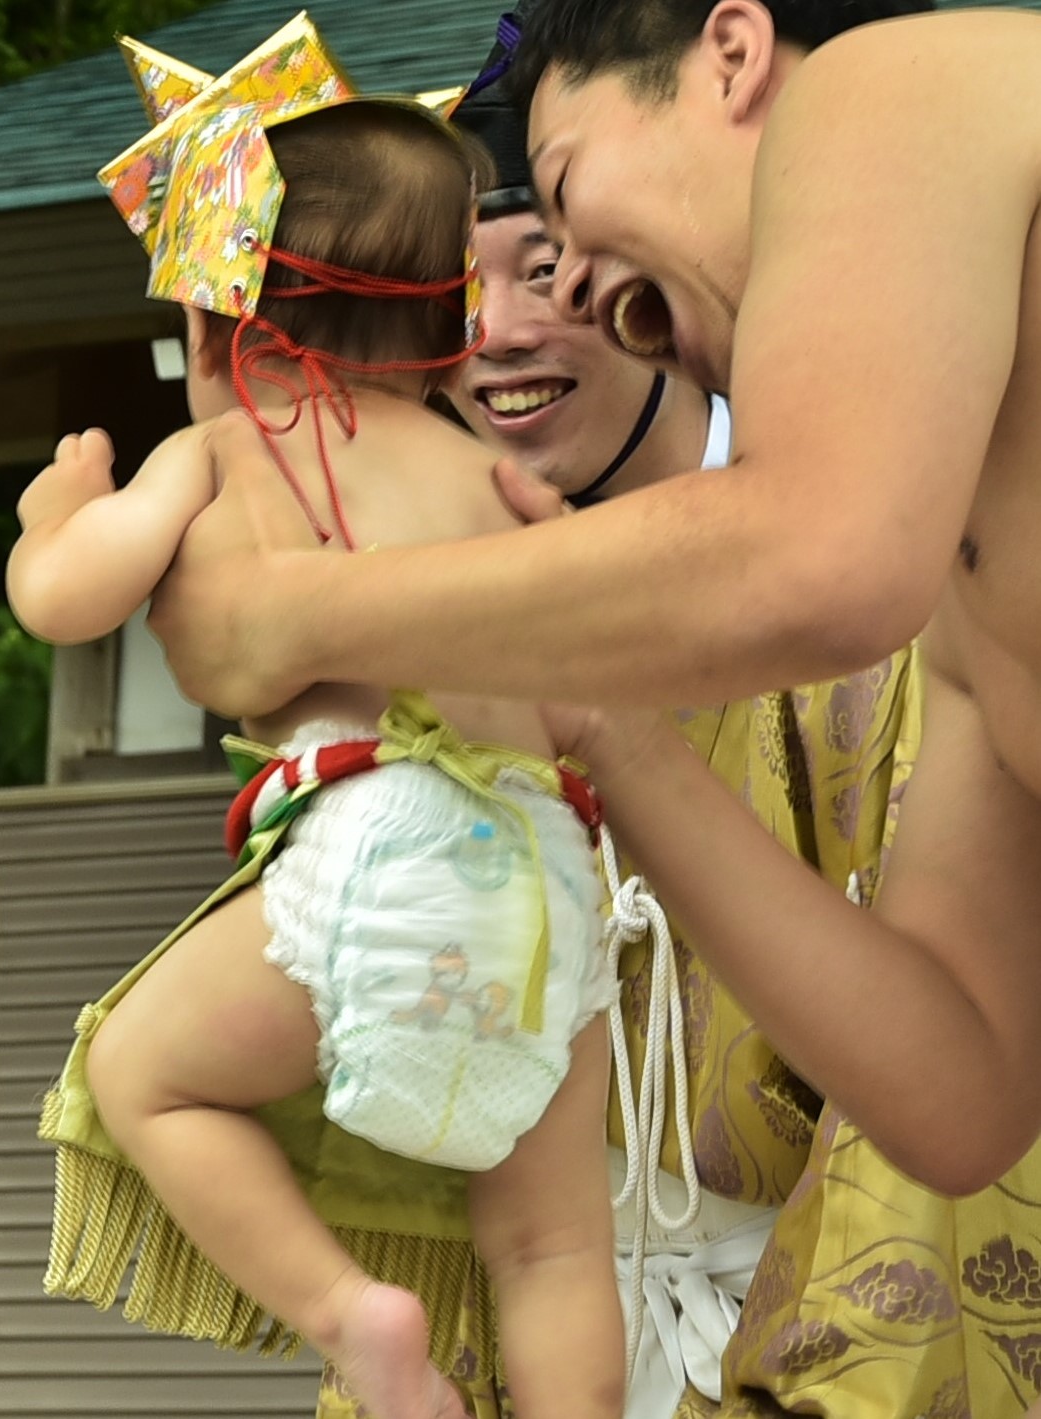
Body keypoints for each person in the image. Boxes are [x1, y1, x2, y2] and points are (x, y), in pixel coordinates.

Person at [138, 0, 1041, 1198]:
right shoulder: (974, 596)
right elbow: (958, 1097)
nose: (569, 293)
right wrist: (606, 728)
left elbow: (817, 561)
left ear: (734, 56)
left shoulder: (898, 77)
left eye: (563, 190)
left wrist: (292, 611)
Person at [16, 30, 622, 1419]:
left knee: (146, 1076)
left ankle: (352, 1314)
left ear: (221, 323)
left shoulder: (228, 447)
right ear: (445, 321)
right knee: (550, 1238)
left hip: (379, 838)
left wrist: (58, 514)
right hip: (548, 877)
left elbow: (65, 600)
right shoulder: (492, 477)